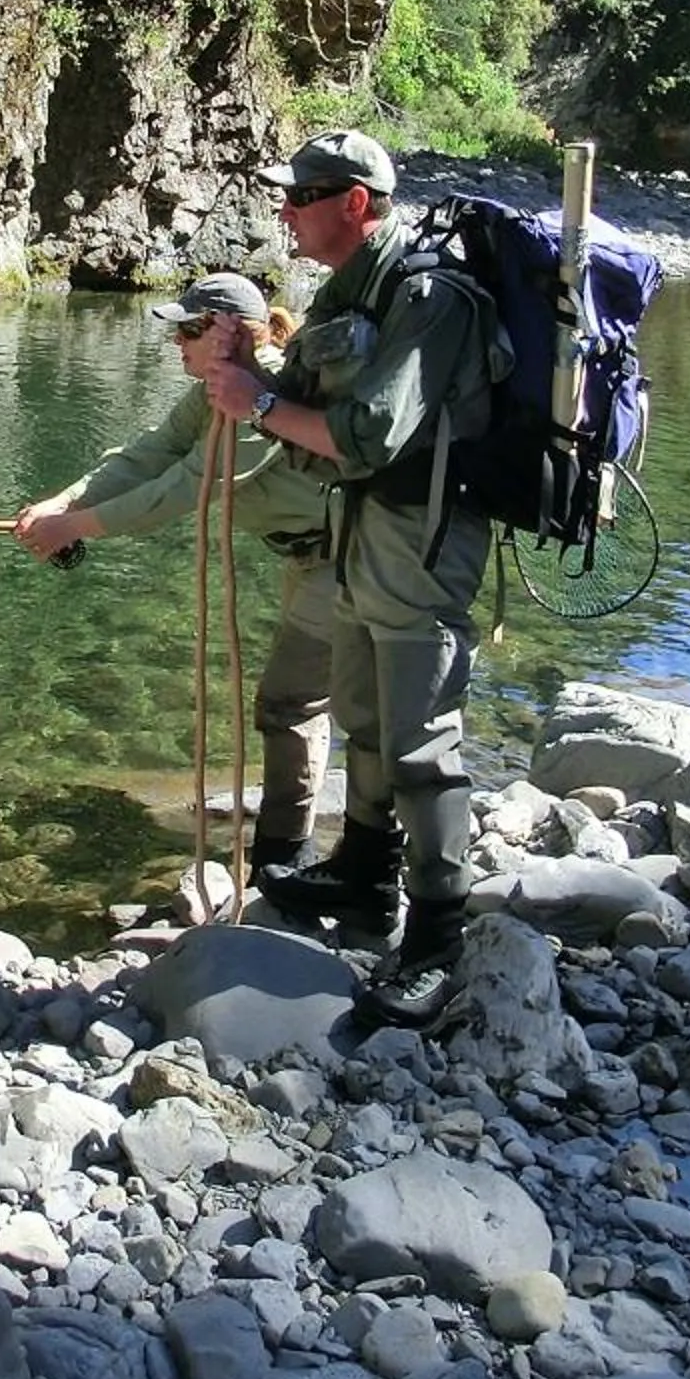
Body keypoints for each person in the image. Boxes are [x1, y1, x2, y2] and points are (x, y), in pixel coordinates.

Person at [201, 130, 500, 1024]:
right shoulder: (345, 287)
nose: (285, 213)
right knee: (364, 713)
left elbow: (367, 434)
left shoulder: (430, 297)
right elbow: (297, 405)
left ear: (354, 204)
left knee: (418, 739)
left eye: (301, 198)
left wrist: (255, 400)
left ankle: (440, 937)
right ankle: (365, 881)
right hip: (360, 529)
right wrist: (243, 369)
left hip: (423, 536)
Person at [11, 272, 338, 876]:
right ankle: (297, 849)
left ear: (230, 332)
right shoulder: (214, 388)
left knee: (289, 704)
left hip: (345, 560)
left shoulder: (258, 391)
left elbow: (182, 489)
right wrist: (64, 502)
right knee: (305, 703)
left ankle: (285, 860)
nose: (176, 343)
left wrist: (74, 529)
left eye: (189, 329)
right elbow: (150, 454)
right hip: (309, 556)